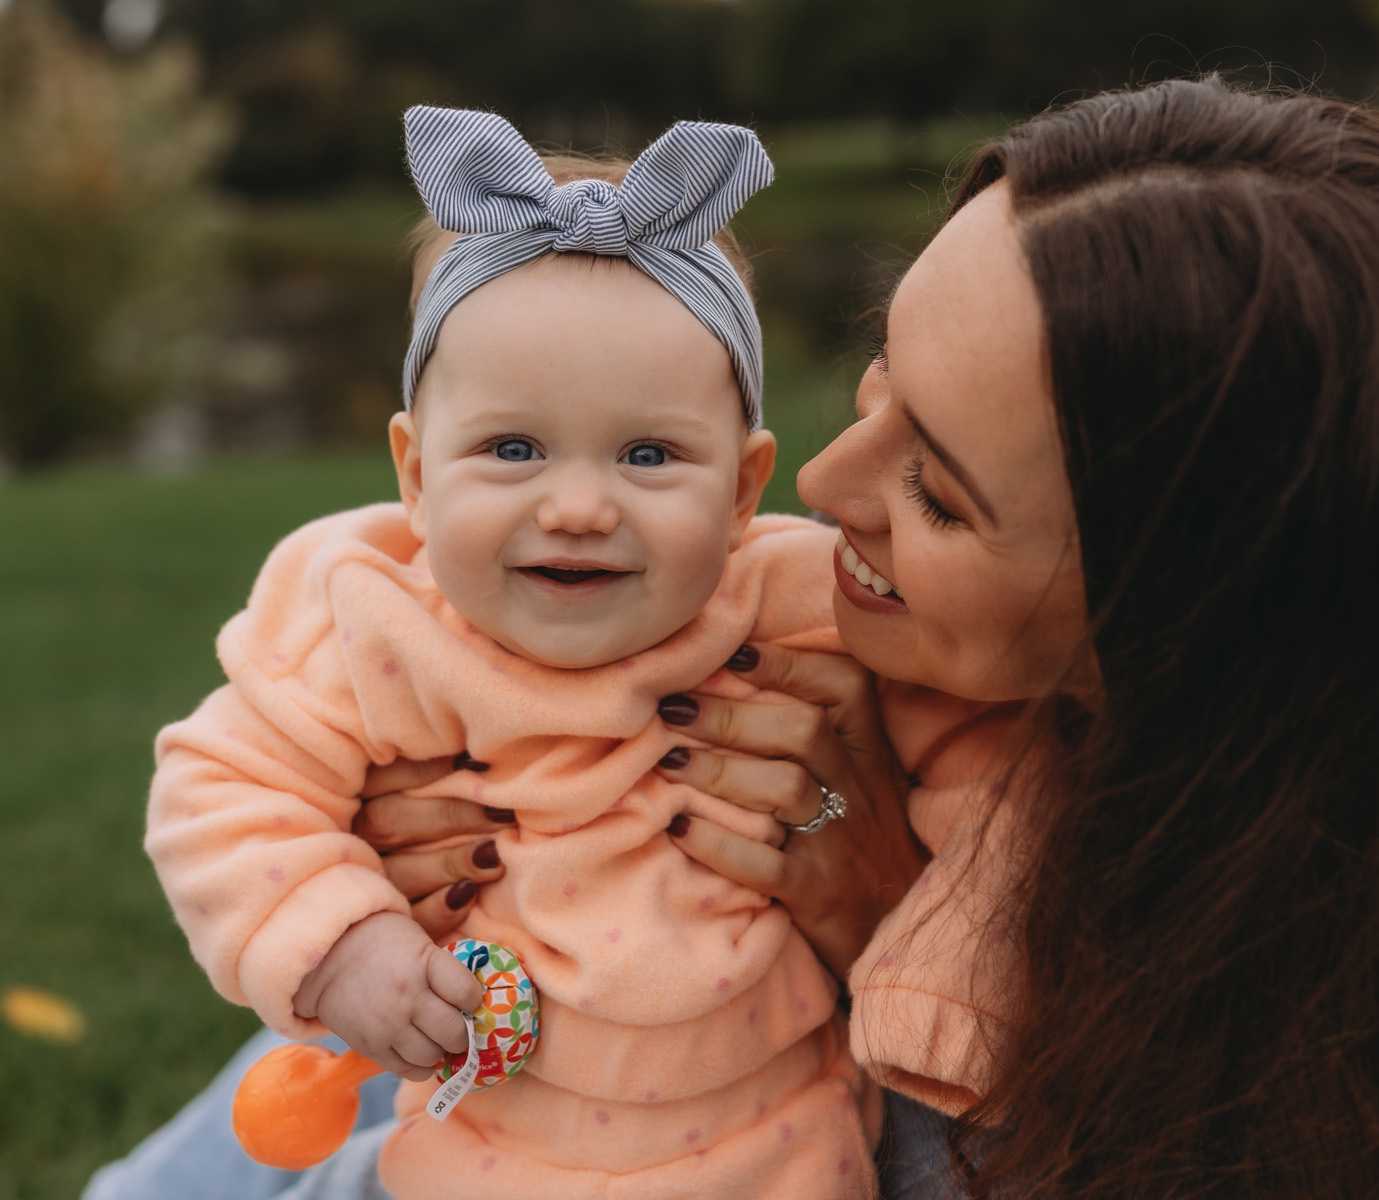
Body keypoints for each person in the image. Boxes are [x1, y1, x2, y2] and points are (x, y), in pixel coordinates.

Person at [89, 74, 1379, 1200]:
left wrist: (885, 918)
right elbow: (240, 801)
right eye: (877, 385)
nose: (825, 490)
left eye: (940, 490)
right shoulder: (384, 626)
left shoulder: (1225, 1067)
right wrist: (352, 924)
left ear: (1164, 630)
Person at [140, 106, 909, 1200]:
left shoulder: (793, 606)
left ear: (744, 489)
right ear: (414, 475)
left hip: (777, 1156)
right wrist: (346, 942)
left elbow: (980, 742)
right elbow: (222, 785)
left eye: (648, 454)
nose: (581, 506)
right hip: (483, 1159)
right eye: (512, 448)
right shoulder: (377, 625)